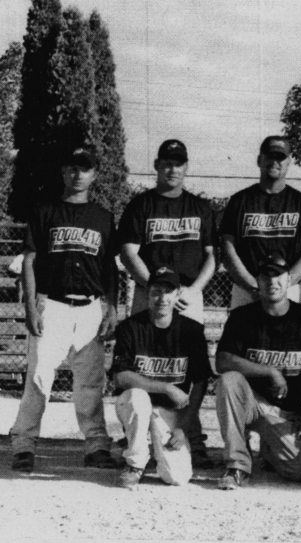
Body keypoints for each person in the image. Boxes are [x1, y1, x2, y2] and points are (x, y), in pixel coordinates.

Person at [10, 145, 120, 472]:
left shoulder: (103, 217)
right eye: (72, 167)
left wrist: (112, 306)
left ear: (94, 174)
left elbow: (110, 268)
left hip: (89, 309)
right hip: (53, 304)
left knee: (89, 382)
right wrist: (31, 306)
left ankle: (96, 445)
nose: (77, 174)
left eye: (84, 168)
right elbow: (30, 259)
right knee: (39, 379)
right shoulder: (45, 211)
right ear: (63, 172)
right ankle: (23, 445)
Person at [118, 139, 217, 469]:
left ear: (186, 167)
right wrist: (157, 289)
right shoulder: (141, 205)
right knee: (142, 361)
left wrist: (191, 291)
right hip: (151, 290)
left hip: (188, 293)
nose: (172, 168)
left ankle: (192, 433)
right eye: (166, 162)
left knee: (191, 368)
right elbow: (129, 252)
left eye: (178, 163)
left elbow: (211, 257)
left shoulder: (200, 208)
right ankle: (136, 435)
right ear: (157, 165)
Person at [214, 254, 301, 490]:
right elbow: (222, 361)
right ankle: (237, 464)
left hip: (284, 411)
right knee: (229, 380)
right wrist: (269, 371)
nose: (271, 281)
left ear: (289, 280)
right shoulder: (242, 316)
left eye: (278, 276)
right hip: (250, 403)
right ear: (257, 280)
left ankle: (269, 448)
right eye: (265, 276)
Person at [110, 267, 213, 489]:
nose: (162, 298)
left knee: (177, 477)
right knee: (137, 397)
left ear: (177, 294)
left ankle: (153, 449)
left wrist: (183, 426)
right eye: (156, 291)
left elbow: (201, 381)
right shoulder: (130, 327)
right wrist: (166, 387)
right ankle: (135, 462)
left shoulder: (191, 330)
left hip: (170, 413)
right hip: (138, 405)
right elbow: (120, 377)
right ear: (148, 294)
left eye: (168, 291)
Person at [220, 136, 301, 309]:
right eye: (270, 156)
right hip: (247, 290)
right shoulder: (239, 201)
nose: (274, 162)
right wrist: (253, 286)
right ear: (260, 160)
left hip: (288, 289)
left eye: (280, 157)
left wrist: (282, 285)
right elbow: (228, 251)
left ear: (289, 161)